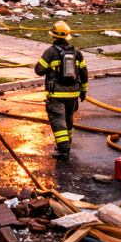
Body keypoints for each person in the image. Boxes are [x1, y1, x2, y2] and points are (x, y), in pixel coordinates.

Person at [34, 22, 89, 161]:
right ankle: (66, 145)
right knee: (68, 119)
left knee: (58, 121)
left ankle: (63, 150)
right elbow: (84, 72)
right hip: (74, 93)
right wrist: (83, 91)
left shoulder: (50, 52)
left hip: (56, 94)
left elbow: (39, 71)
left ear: (53, 35)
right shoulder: (77, 53)